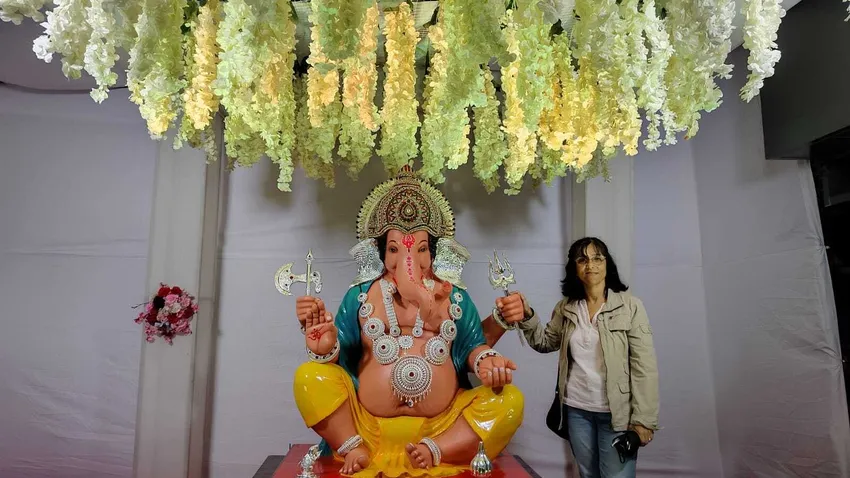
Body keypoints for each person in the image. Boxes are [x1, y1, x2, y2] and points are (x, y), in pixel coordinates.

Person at [291, 168, 529, 477]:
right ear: (380, 252)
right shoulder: (360, 296)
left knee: (509, 401)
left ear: (433, 252)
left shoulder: (455, 297)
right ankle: (352, 446)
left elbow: (472, 346)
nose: (408, 262)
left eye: (420, 249)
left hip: (442, 424)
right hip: (365, 425)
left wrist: (487, 361)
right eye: (394, 250)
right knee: (309, 376)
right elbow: (342, 355)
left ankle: (438, 449)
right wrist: (325, 348)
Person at [503, 237, 659, 478]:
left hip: (617, 414)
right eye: (582, 260)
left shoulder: (631, 307)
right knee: (587, 475)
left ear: (607, 264)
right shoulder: (566, 308)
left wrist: (643, 421)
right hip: (576, 410)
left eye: (598, 258)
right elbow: (545, 342)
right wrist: (527, 315)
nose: (591, 265)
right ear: (574, 268)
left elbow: (644, 368)